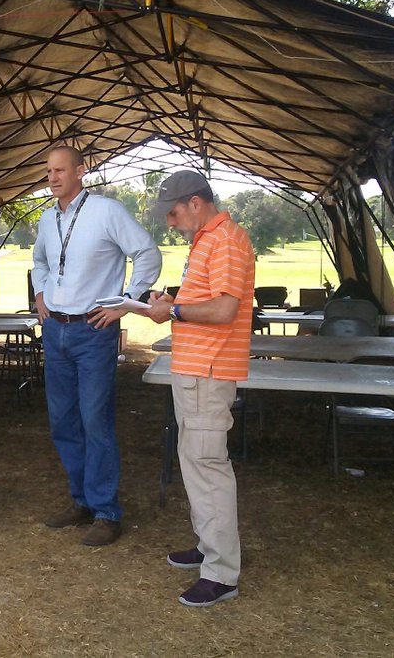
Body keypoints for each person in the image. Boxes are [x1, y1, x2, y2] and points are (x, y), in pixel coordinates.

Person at [31, 145, 162, 546]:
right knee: (63, 420)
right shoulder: (47, 218)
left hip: (92, 330)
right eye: (49, 171)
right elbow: (40, 261)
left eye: (60, 170)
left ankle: (106, 510)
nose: (53, 177)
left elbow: (148, 253)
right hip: (56, 329)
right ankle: (82, 500)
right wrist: (40, 293)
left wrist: (125, 303)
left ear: (81, 171)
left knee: (94, 420)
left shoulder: (106, 211)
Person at [137, 169, 255, 607]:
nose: (170, 222)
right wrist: (172, 301)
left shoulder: (224, 240)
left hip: (208, 371)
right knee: (196, 462)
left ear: (195, 203)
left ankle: (222, 573)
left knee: (207, 467)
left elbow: (224, 308)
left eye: (172, 213)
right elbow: (207, 296)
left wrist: (175, 312)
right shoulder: (209, 239)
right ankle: (209, 548)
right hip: (196, 370)